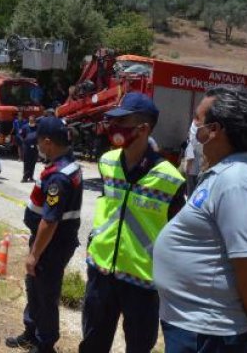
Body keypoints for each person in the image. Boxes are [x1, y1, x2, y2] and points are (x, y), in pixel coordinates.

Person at [79, 92, 186, 353]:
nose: (115, 128)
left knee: (139, 346)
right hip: (102, 271)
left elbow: (177, 235)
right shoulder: (107, 163)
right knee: (92, 342)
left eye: (123, 123)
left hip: (143, 281)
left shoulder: (169, 179)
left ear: (144, 128)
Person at [153, 85, 247, 353]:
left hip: (210, 332)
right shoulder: (224, 173)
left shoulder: (236, 181)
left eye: (197, 120)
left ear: (215, 130)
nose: (193, 127)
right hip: (195, 326)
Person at [6, 117, 82, 353]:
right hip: (49, 243)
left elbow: (49, 221)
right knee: (34, 286)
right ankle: (31, 332)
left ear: (48, 142)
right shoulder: (67, 164)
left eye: (38, 141)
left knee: (45, 293)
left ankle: (45, 343)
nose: (36, 145)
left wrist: (34, 254)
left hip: (51, 245)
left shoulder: (59, 177)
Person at [183, 120, 204, 197]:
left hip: (191, 172)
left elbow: (190, 157)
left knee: (190, 190)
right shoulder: (199, 145)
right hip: (198, 171)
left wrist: (187, 169)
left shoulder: (191, 144)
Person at [20, 115, 39, 182]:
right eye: (30, 120)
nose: (32, 121)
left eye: (33, 120)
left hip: (35, 147)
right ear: (29, 120)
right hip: (27, 147)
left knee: (33, 162)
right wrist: (24, 142)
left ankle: (31, 176)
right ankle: (25, 177)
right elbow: (21, 136)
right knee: (26, 162)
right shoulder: (25, 127)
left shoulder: (37, 127)